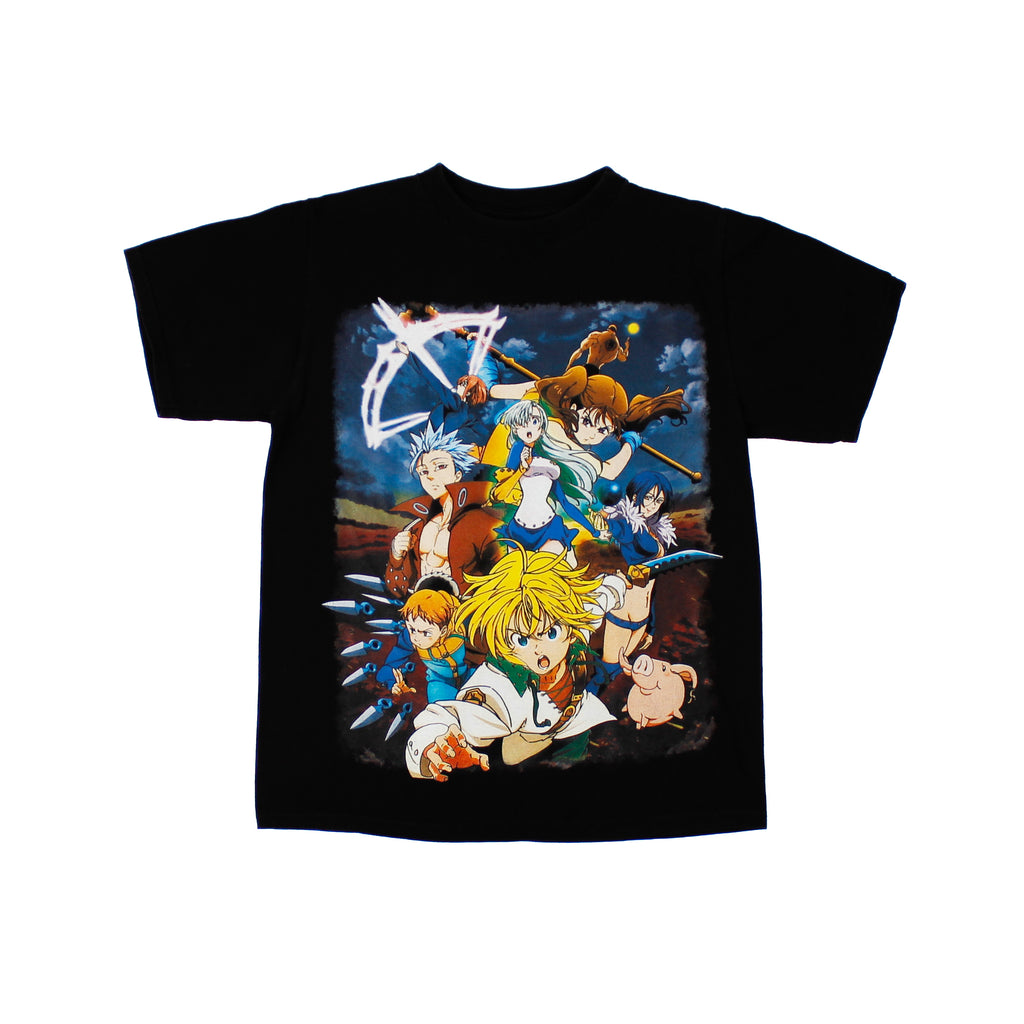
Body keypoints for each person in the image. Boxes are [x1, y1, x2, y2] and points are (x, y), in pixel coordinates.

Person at [404, 545, 628, 780]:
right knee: (513, 757)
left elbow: (599, 601)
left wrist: (618, 585)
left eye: (550, 633)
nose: (538, 649)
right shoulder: (498, 682)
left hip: (573, 727)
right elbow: (460, 715)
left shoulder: (571, 622)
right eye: (521, 640)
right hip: (527, 737)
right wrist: (430, 743)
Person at [385, 422, 501, 598]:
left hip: (463, 612)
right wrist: (396, 556)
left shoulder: (484, 525)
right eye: (424, 471)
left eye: (440, 466)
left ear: (458, 474)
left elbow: (503, 583)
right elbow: (398, 588)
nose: (431, 476)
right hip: (421, 611)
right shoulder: (416, 528)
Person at [488, 400, 599, 567]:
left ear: (541, 427)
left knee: (562, 570)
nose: (529, 428)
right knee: (516, 576)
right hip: (519, 529)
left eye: (534, 421)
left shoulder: (548, 459)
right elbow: (499, 495)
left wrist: (593, 530)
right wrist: (521, 470)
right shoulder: (517, 452)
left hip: (549, 527)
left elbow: (565, 503)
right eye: (522, 422)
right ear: (515, 428)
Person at [595, 471, 677, 663]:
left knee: (620, 671)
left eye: (658, 501)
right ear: (635, 496)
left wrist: (651, 627)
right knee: (608, 669)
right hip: (623, 613)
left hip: (643, 618)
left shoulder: (656, 530)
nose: (652, 505)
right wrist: (604, 518)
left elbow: (653, 585)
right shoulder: (628, 524)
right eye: (648, 497)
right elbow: (616, 528)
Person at [376, 589, 469, 703]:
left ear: (443, 631)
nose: (417, 638)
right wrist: (393, 683)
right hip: (439, 681)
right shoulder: (408, 638)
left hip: (469, 672)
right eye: (412, 630)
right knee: (440, 707)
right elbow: (392, 664)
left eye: (426, 633)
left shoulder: (460, 627)